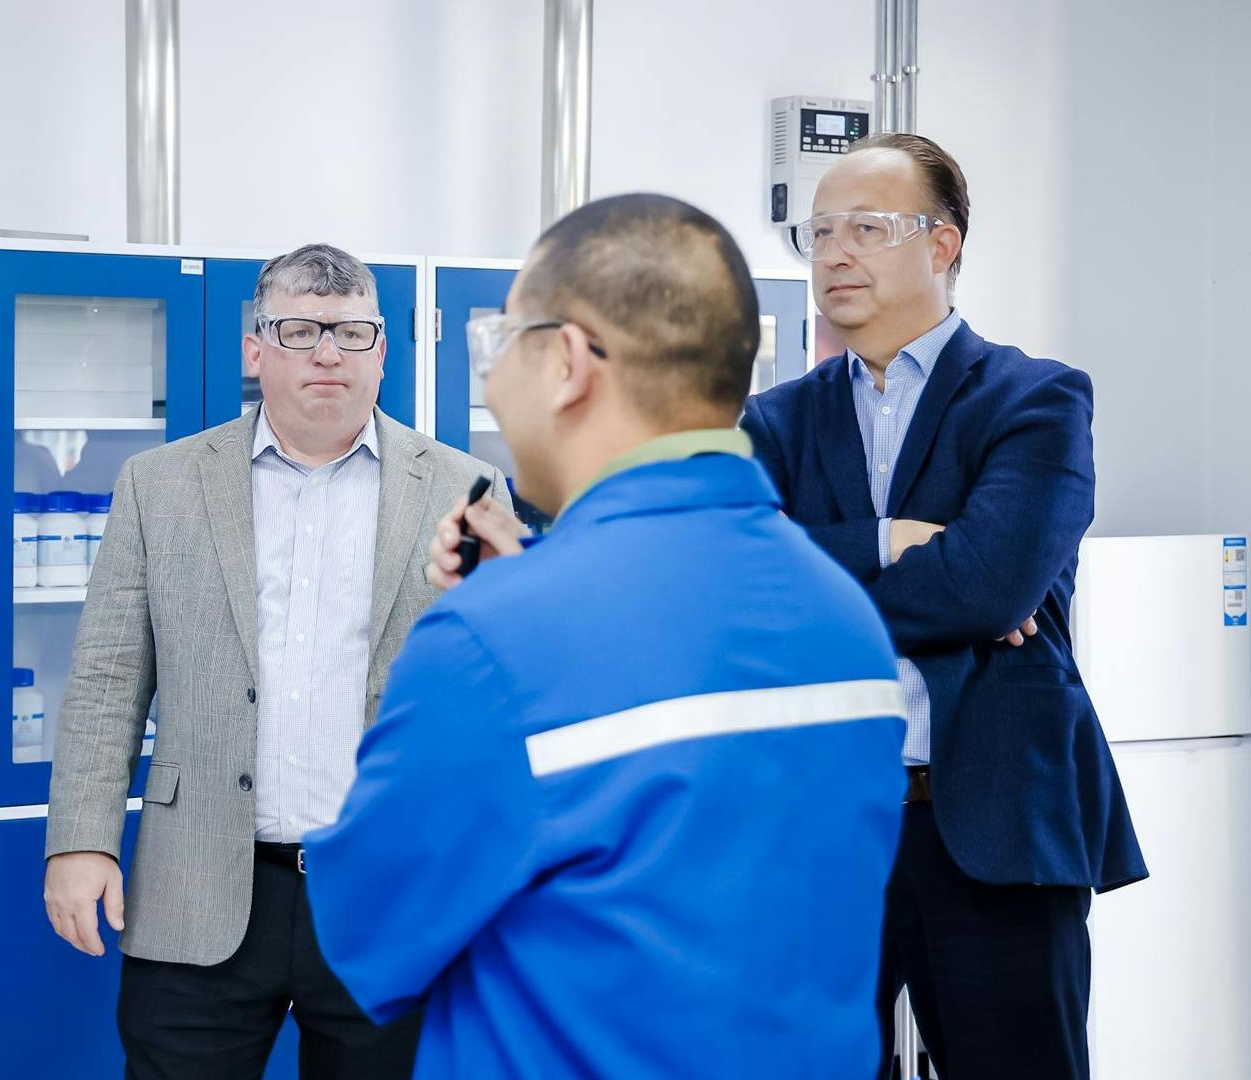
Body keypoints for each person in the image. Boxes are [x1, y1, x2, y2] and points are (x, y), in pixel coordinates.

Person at [301, 194, 909, 1078]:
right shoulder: (844, 613)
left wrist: (499, 625)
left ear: (568, 363)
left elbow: (367, 932)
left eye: (499, 345)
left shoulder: (491, 642)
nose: (491, 379)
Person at [43, 243, 508, 1078]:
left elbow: (499, 699)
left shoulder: (465, 491)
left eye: (353, 332)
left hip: (390, 895)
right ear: (254, 350)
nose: (328, 353)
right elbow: (108, 679)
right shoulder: (162, 484)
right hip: (201, 885)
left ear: (382, 350)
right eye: (300, 331)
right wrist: (81, 842)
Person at [740, 132, 1147, 1079]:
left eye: (866, 229)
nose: (835, 254)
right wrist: (898, 543)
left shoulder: (1034, 399)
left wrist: (828, 578)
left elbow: (992, 582)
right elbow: (741, 592)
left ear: (943, 243)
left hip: (996, 824)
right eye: (820, 232)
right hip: (826, 826)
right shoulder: (778, 421)